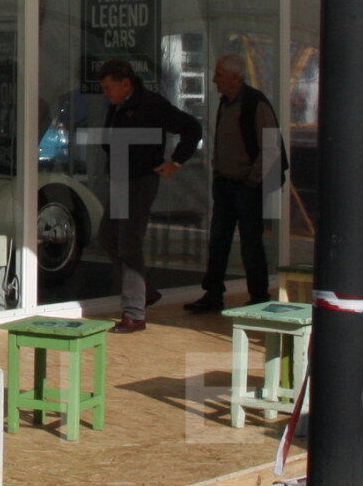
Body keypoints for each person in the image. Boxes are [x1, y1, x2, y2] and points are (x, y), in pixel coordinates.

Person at [92, 59, 203, 334]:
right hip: (121, 178)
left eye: (109, 87)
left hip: (140, 180)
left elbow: (191, 127)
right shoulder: (118, 105)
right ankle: (144, 291)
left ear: (125, 83)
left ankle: (134, 313)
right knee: (107, 236)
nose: (106, 93)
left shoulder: (151, 104)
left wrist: (176, 162)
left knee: (129, 244)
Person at [188, 54, 280, 315]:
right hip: (226, 183)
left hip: (246, 186)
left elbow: (271, 147)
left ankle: (259, 296)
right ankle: (213, 294)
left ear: (235, 77)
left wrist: (252, 180)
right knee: (218, 241)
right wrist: (218, 172)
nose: (214, 79)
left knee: (250, 243)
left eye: (219, 74)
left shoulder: (255, 104)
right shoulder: (225, 102)